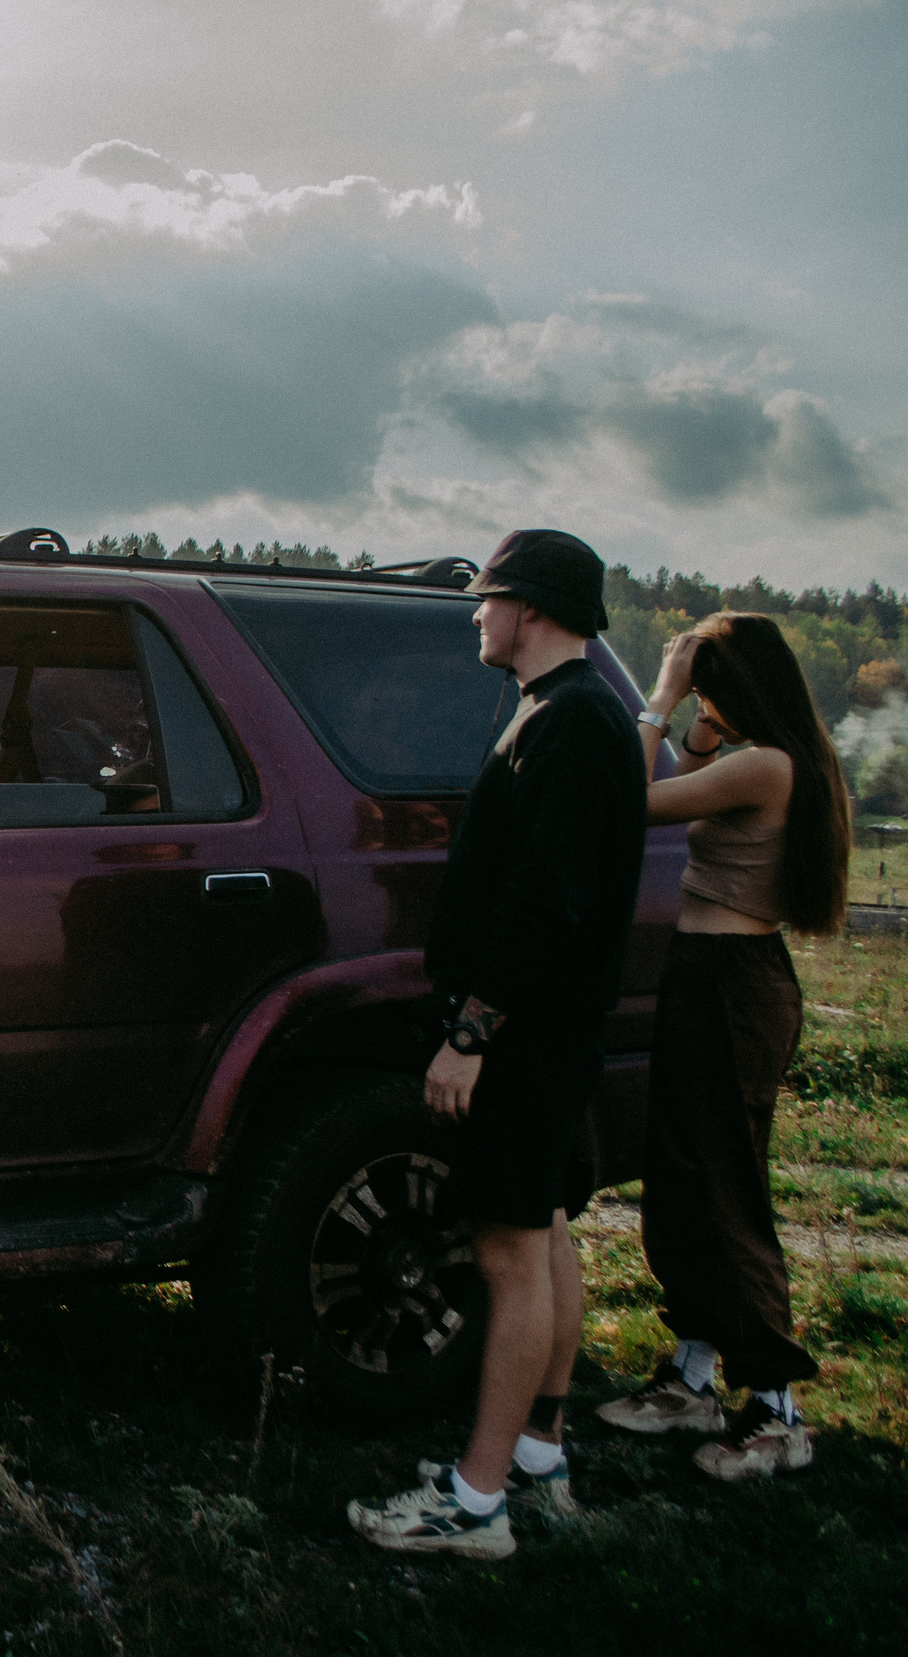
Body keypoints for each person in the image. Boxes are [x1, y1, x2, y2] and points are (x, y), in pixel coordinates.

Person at [348, 530, 647, 1560]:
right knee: (546, 1229)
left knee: (508, 1249)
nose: (476, 616)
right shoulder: (566, 715)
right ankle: (536, 1455)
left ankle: (471, 1506)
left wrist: (470, 1034)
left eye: (487, 601)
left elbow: (544, 903)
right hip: (551, 1031)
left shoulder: (568, 726)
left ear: (530, 609)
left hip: (523, 1034)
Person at [593, 613, 851, 1479]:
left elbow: (632, 802)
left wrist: (659, 702)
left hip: (736, 983)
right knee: (681, 1175)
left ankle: (777, 1408)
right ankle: (695, 1375)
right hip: (706, 973)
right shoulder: (752, 756)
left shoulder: (769, 766)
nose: (695, 692)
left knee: (726, 1186)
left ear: (740, 683)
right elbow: (687, 781)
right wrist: (699, 724)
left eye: (710, 681)